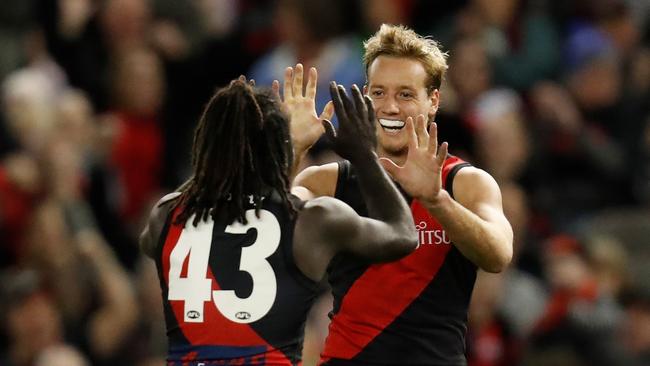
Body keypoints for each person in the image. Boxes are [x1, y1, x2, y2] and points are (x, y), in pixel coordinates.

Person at [139, 68, 418, 365]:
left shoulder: (166, 215)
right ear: (277, 146)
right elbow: (403, 235)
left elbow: (162, 233)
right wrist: (363, 154)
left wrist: (229, 136)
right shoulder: (312, 220)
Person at [291, 24, 514, 365]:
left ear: (434, 100)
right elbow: (269, 230)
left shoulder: (464, 183)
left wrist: (436, 200)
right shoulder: (328, 181)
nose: (390, 107)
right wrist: (293, 149)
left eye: (406, 94)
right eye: (379, 93)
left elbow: (497, 255)